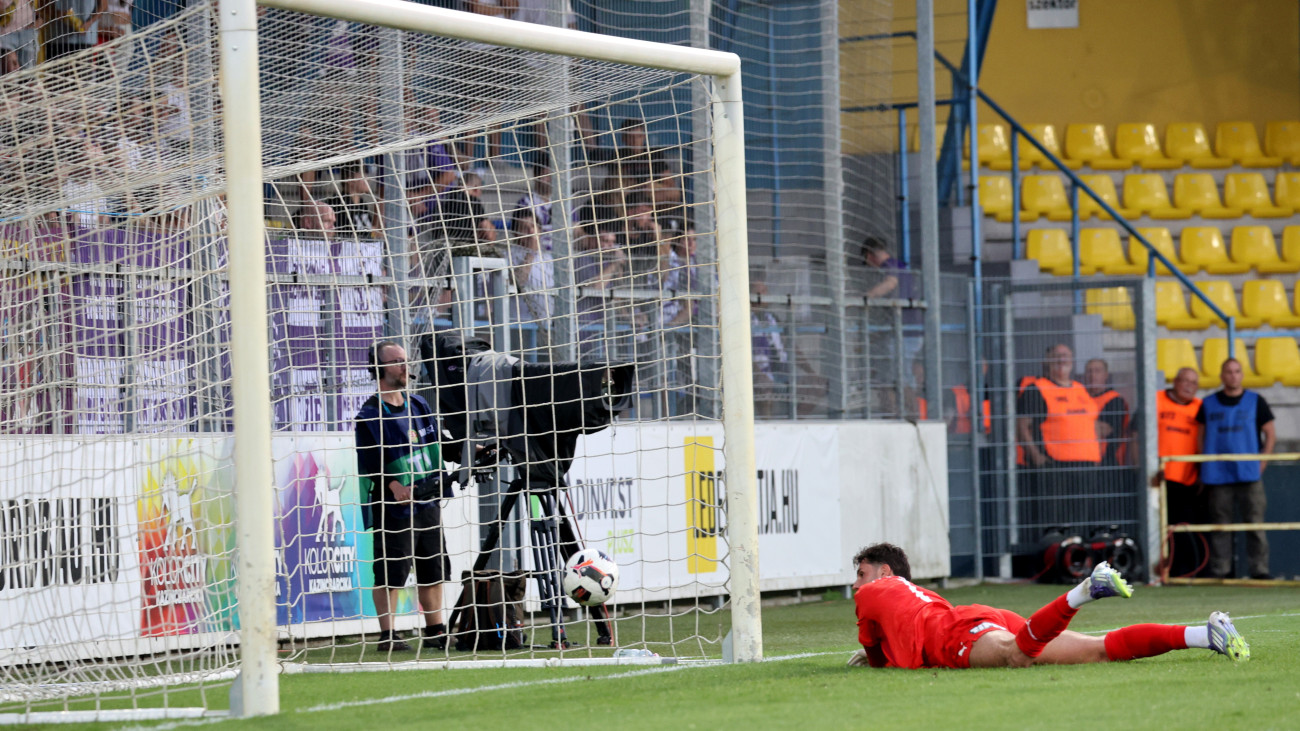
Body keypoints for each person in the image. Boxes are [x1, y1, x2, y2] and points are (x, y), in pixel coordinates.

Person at [848, 542, 1249, 670]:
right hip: (976, 617)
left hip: (954, 632)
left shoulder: (873, 593)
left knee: (1015, 656)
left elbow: (876, 656)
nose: (856, 584)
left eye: (862, 573)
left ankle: (1084, 591)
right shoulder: (908, 593)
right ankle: (1204, 634)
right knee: (1099, 649)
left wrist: (871, 659)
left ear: (884, 572)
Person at [354, 341, 452, 652]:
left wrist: (472, 451)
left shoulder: (419, 404)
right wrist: (394, 486)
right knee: (391, 572)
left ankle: (435, 629)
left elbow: (440, 443)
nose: (404, 367)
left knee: (433, 569)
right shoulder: (369, 414)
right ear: (379, 368)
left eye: (405, 360)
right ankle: (389, 634)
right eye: (396, 361)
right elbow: (369, 463)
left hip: (428, 501)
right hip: (395, 509)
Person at [1197, 358, 1276, 580]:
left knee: (1255, 524)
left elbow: (1270, 433)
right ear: (1221, 376)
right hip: (1218, 474)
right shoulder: (1208, 403)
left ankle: (1259, 570)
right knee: (1221, 525)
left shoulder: (1256, 401)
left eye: (1237, 371)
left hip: (1249, 474)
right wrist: (1204, 461)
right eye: (1228, 372)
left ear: (1242, 375)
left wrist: (1262, 462)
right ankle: (1221, 570)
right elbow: (1200, 434)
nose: (1233, 375)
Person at [1016, 344, 1102, 539]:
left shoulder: (1080, 389)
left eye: (1066, 355)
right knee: (1056, 524)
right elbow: (1021, 426)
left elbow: (1092, 422)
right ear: (1047, 362)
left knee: (1080, 520)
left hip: (1086, 465)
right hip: (1055, 466)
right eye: (1057, 356)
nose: (1062, 359)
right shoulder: (1037, 389)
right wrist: (1035, 456)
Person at [1157, 367, 1205, 577]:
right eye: (1184, 381)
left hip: (1187, 480)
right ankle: (1158, 571)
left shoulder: (1200, 407)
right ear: (1175, 381)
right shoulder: (1156, 400)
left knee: (1183, 528)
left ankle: (1183, 571)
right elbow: (1136, 433)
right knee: (1158, 529)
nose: (1188, 386)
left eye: (1193, 383)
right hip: (1158, 478)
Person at [1084, 358, 1130, 467]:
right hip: (1082, 458)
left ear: (1105, 375)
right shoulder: (1079, 397)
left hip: (1107, 461)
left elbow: (1105, 430)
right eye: (1089, 371)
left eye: (1097, 371)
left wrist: (1075, 423)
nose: (1092, 375)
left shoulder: (1114, 400)